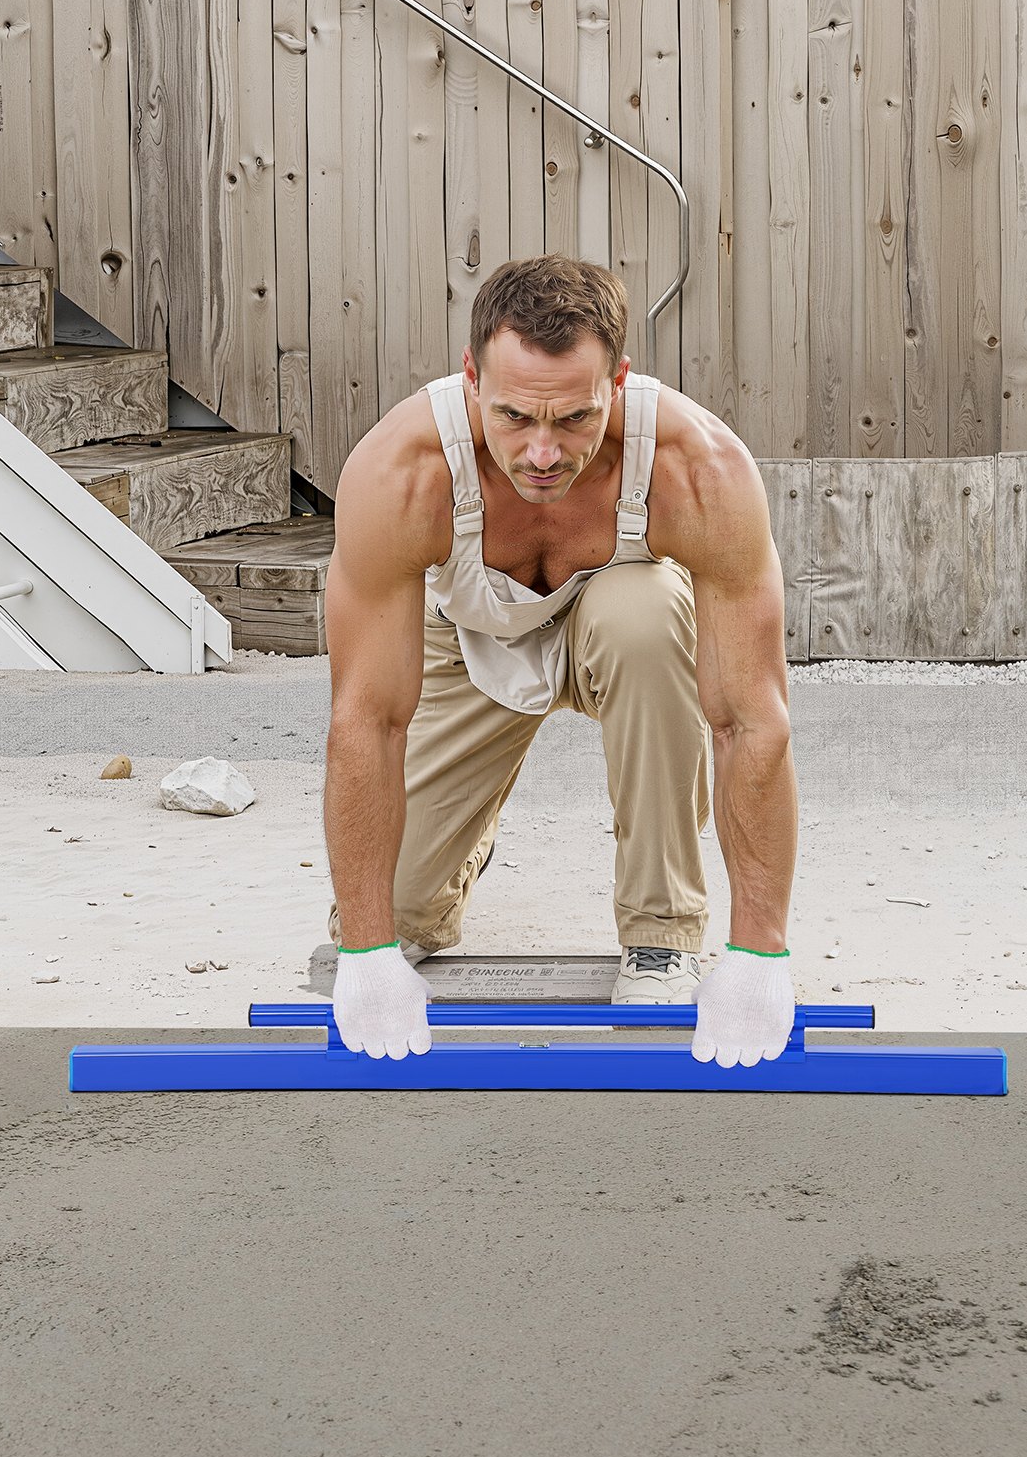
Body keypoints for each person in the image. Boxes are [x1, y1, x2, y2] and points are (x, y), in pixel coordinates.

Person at [321, 253, 798, 1066]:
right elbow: (367, 720)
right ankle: (455, 852)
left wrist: (761, 955)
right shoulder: (402, 471)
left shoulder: (700, 469)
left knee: (644, 614)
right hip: (468, 636)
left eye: (574, 419)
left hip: (627, 631)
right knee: (391, 917)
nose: (542, 453)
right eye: (514, 417)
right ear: (471, 379)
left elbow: (748, 719)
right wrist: (367, 953)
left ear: (618, 383)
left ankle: (661, 933)